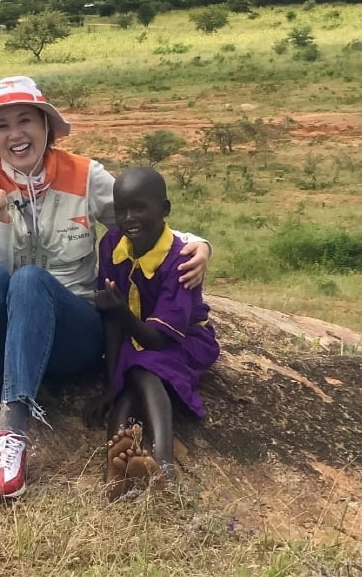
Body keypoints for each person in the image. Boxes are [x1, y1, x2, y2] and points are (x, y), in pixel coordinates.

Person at [0, 76, 211, 501]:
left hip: (72, 332)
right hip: (8, 338)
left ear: (46, 125)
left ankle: (10, 432)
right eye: (1, 126)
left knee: (32, 278)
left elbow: (136, 219)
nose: (15, 134)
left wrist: (196, 242)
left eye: (25, 120)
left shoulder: (84, 174)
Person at [94, 167, 219, 501]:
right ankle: (115, 465)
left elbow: (160, 340)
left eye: (139, 208)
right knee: (125, 381)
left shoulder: (181, 260)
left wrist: (121, 313)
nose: (129, 218)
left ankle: (163, 463)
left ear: (164, 210)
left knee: (142, 367)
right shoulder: (110, 245)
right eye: (121, 210)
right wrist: (109, 383)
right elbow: (110, 316)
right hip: (136, 337)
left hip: (184, 340)